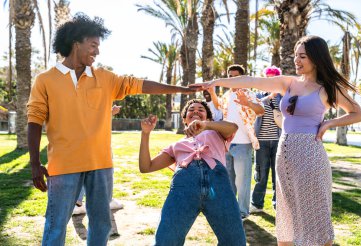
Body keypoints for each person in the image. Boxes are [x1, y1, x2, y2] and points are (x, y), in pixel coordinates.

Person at [27, 13, 200, 246]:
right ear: (75, 42)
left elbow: (139, 85)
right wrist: (35, 163)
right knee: (56, 224)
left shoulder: (105, 78)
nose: (97, 51)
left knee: (101, 224)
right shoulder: (45, 80)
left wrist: (182, 90)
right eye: (93, 45)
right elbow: (34, 120)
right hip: (63, 166)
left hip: (101, 165)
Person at [193, 35, 361, 245]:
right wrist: (217, 82)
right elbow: (252, 80)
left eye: (302, 56)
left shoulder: (327, 88)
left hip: (310, 155)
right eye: (295, 56)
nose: (296, 61)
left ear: (316, 58)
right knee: (287, 214)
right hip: (286, 155)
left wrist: (329, 123)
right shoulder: (288, 83)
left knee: (315, 213)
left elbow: (357, 113)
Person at [139, 99, 246, 245]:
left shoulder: (217, 133)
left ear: (208, 118)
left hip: (219, 186)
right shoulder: (176, 145)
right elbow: (146, 167)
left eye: (201, 109)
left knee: (235, 241)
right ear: (184, 119)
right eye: (191, 109)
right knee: (165, 241)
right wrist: (145, 134)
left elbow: (233, 127)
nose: (196, 111)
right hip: (184, 187)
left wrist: (206, 126)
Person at [207, 64, 265, 218]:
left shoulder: (248, 94)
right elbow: (219, 106)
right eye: (230, 77)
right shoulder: (226, 95)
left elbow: (261, 111)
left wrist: (248, 103)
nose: (232, 80)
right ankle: (232, 210)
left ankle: (242, 211)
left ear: (242, 79)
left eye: (236, 77)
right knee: (229, 180)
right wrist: (212, 92)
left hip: (243, 144)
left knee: (242, 181)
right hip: (226, 143)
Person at [73, 105, 123, 215]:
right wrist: (110, 112)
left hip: (84, 138)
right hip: (95, 139)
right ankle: (106, 200)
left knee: (84, 168)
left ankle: (78, 201)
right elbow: (92, 118)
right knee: (105, 168)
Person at [250, 65, 283, 213]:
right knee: (261, 173)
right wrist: (269, 97)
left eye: (273, 78)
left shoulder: (284, 97)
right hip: (262, 140)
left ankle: (278, 204)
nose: (270, 81)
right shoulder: (259, 96)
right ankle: (257, 204)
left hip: (279, 140)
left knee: (278, 174)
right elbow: (254, 106)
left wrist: (277, 96)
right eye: (268, 78)